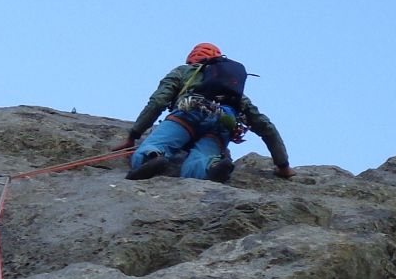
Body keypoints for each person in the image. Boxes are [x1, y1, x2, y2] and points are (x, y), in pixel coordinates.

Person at [125, 42, 291, 182]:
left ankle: (152, 158)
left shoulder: (184, 71)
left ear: (191, 59)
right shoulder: (231, 89)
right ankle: (211, 168)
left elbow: (158, 101)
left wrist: (133, 135)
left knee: (155, 145)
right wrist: (283, 165)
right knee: (202, 158)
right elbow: (265, 126)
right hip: (223, 120)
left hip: (188, 112)